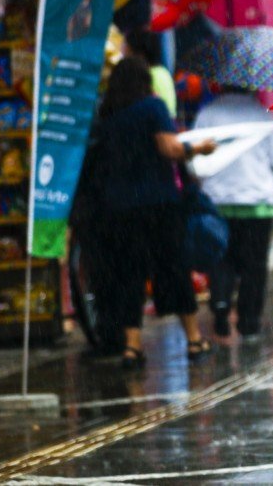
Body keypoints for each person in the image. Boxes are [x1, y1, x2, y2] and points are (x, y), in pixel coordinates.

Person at [85, 57, 216, 369]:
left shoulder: (109, 115)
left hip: (119, 209)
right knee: (172, 267)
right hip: (158, 204)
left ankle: (132, 346)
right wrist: (200, 148)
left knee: (129, 274)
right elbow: (169, 149)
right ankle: (194, 339)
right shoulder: (152, 107)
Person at [193, 87, 273, 338]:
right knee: (253, 266)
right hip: (257, 202)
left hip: (218, 201)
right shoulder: (263, 115)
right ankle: (249, 322)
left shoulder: (207, 114)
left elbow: (196, 161)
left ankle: (221, 305)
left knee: (222, 258)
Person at [123, 29, 177, 118]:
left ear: (139, 54)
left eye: (126, 51)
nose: (123, 54)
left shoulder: (146, 76)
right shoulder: (162, 72)